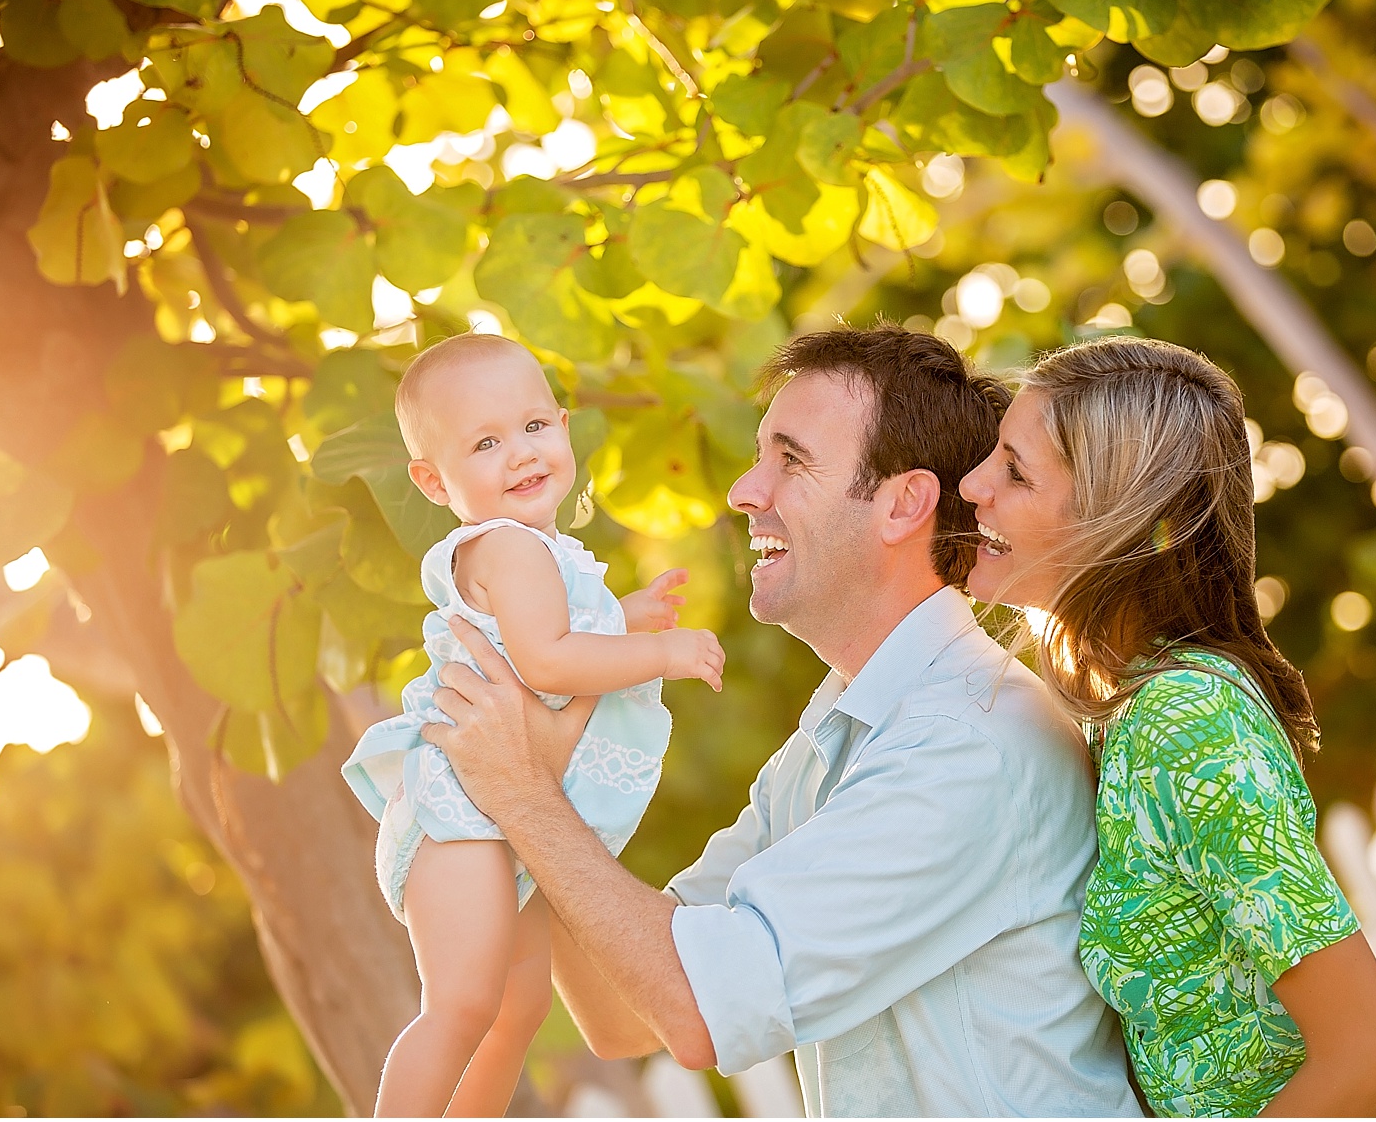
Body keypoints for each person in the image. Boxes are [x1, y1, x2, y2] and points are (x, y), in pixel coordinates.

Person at [421, 324, 1144, 1116]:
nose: (744, 490)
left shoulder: (966, 741)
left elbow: (698, 1011)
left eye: (790, 460)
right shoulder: (835, 739)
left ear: (904, 503)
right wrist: (520, 758)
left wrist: (523, 790)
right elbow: (621, 1010)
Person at [958, 335, 1376, 1117]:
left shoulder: (1185, 723)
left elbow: (1372, 1060)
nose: (973, 483)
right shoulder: (1115, 712)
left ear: (1120, 525)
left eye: (1017, 471)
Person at [340, 333, 725, 1116]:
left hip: (495, 806)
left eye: (534, 427)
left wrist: (623, 616)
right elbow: (548, 662)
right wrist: (661, 649)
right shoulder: (506, 547)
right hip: (462, 808)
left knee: (515, 1013)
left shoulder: (544, 552)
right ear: (432, 479)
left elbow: (556, 635)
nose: (519, 453)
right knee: (461, 1004)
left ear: (564, 424)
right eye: (485, 443)